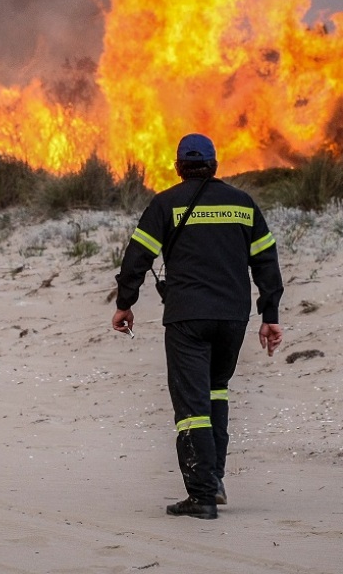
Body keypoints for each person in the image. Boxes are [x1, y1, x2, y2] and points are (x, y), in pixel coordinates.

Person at [111, 133, 284, 520]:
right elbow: (267, 262)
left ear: (178, 167)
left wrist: (125, 303)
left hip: (187, 317)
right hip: (233, 318)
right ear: (215, 165)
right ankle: (216, 480)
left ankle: (202, 495)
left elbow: (138, 256)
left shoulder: (166, 203)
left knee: (192, 407)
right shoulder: (243, 204)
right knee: (216, 393)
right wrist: (269, 315)